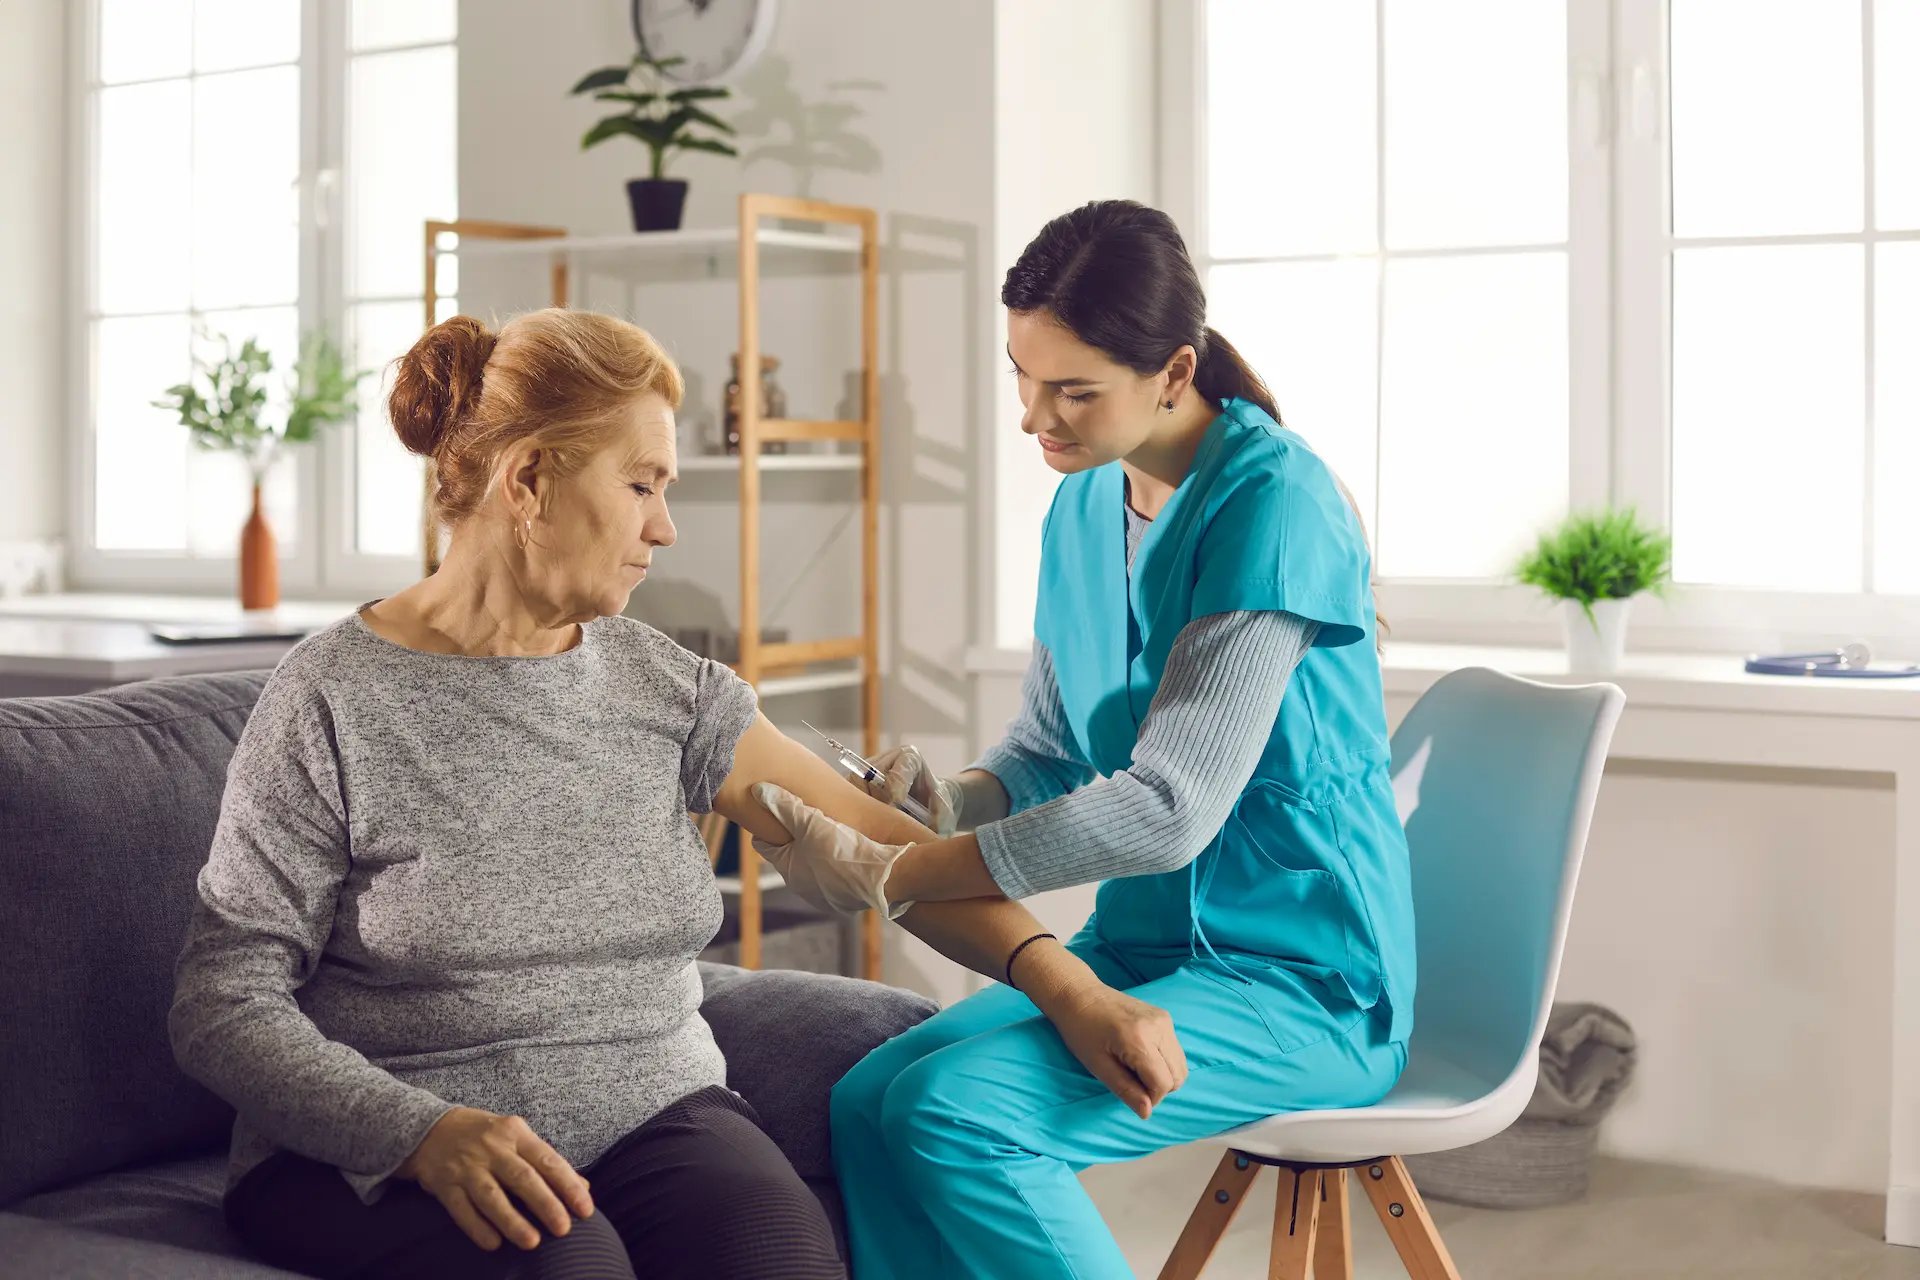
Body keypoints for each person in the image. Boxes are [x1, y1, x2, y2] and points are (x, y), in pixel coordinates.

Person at [169, 307, 1184, 1280]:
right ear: (529, 480)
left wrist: (1073, 989)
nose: (664, 526)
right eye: (641, 484)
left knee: (778, 1256)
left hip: (652, 1107)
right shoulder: (331, 698)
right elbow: (222, 1001)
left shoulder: (664, 687)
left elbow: (893, 854)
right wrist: (418, 1133)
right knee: (569, 1262)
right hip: (393, 1139)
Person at [750, 200, 1416, 1279]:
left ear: (1173, 371)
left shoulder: (1275, 503)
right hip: (1146, 948)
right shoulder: (1083, 504)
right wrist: (948, 801)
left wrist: (901, 872)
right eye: (1022, 376)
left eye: (1072, 390)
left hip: (1303, 980)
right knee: (869, 1099)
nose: (1033, 417)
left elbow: (1169, 809)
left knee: (956, 1115)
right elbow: (1050, 749)